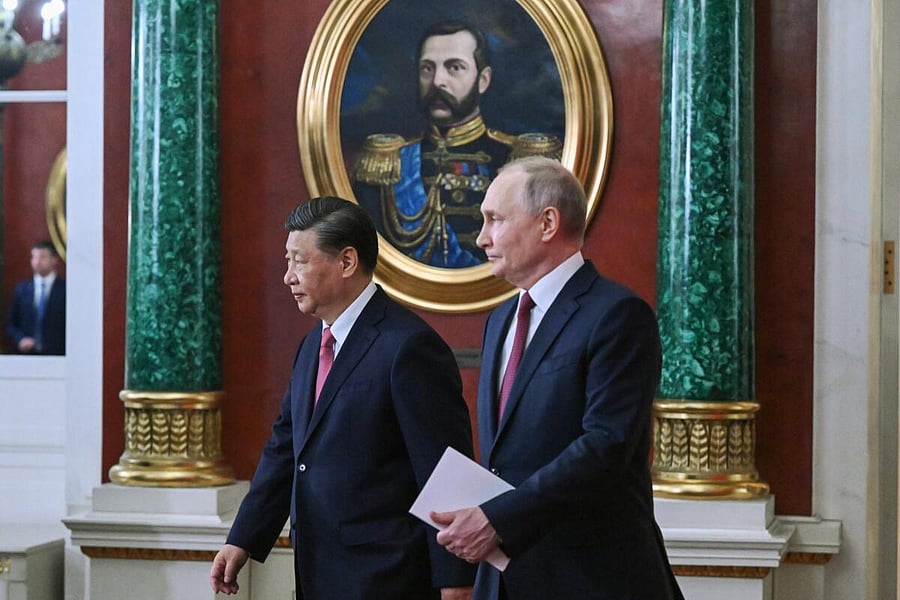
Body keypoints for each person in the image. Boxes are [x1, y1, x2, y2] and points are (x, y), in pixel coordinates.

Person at [431, 157, 684, 599]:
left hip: (591, 578)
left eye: (495, 219)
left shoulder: (617, 315)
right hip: (504, 579)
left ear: (547, 223)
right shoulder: (500, 319)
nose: (482, 237)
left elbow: (606, 445)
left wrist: (499, 519)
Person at [209, 197, 476, 599]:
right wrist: (242, 538)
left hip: (388, 578)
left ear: (347, 261)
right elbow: (287, 450)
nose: (288, 277)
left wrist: (456, 581)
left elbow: (444, 471)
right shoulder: (310, 347)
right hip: (316, 572)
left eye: (300, 261)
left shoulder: (409, 347)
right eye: (287, 261)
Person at [352, 21, 561, 268]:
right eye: (427, 69)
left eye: (454, 67)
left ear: (483, 80)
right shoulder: (387, 163)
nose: (437, 81)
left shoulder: (520, 160)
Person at [4, 240, 66, 355]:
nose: (37, 261)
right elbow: (10, 323)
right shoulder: (22, 289)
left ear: (54, 260)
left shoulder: (65, 289)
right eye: (34, 257)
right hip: (26, 355)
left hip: (57, 355)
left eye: (42, 257)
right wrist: (20, 339)